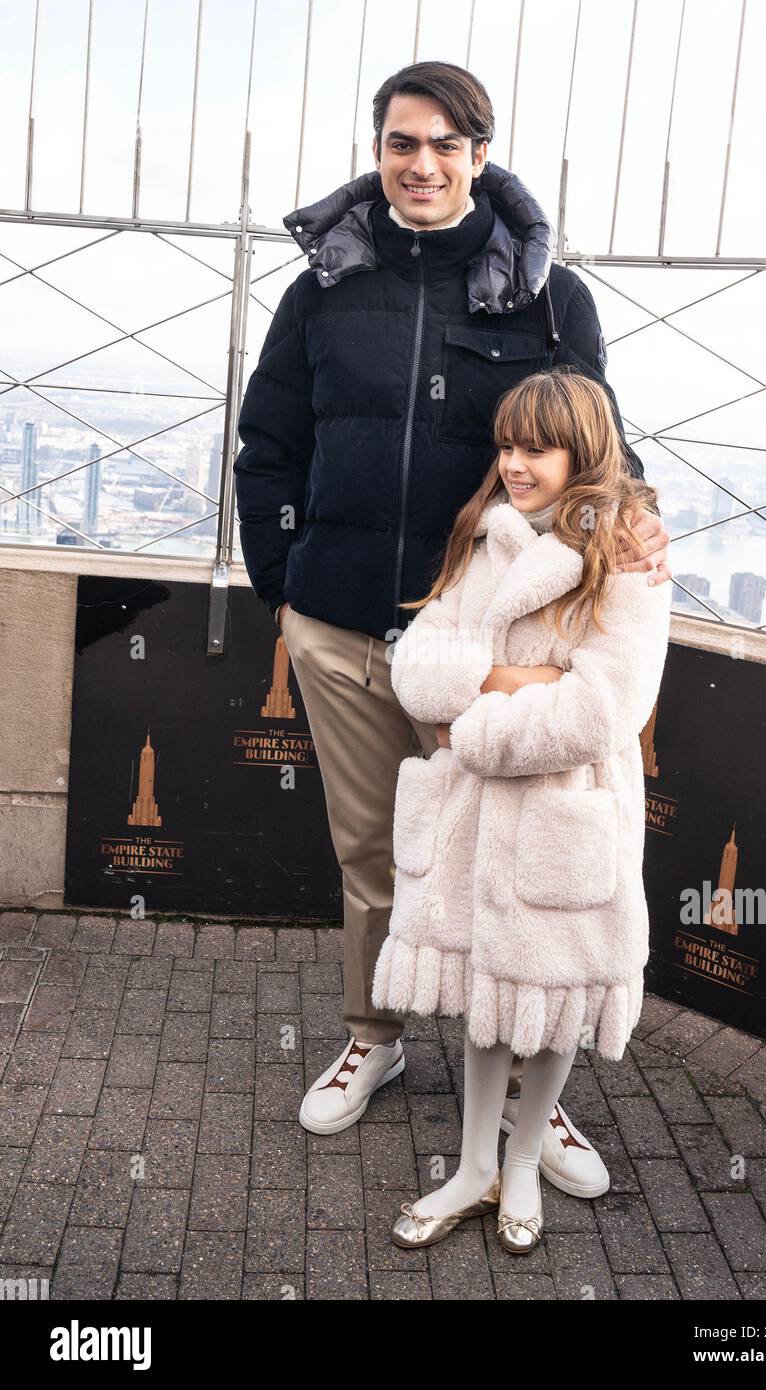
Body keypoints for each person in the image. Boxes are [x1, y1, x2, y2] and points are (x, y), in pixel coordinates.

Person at [233, 60, 672, 1200]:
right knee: (376, 852)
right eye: (397, 144)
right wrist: (286, 581)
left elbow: (595, 454)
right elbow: (267, 446)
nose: (417, 165)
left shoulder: (547, 295)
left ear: (478, 152)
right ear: (377, 151)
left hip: (498, 648)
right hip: (340, 623)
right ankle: (371, 1035)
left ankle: (534, 1095)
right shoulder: (321, 289)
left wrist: (637, 528)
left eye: (440, 145)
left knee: (516, 862)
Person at [375, 367, 672, 1251]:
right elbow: (416, 666)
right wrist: (519, 680)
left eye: (536, 448)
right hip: (482, 820)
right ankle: (472, 1169)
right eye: (507, 445)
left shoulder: (627, 553)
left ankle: (524, 1162)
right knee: (488, 1004)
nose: (514, 464)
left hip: (563, 821)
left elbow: (605, 710)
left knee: (551, 1006)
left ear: (583, 453)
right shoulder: (486, 537)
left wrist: (476, 720)